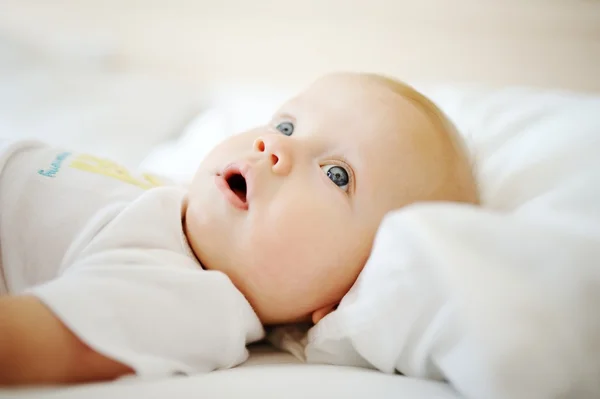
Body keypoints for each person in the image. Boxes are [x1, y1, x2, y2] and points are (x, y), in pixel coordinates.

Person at [0, 73, 478, 385]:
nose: (273, 145)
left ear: (345, 293)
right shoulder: (173, 197)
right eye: (287, 125)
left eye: (337, 174)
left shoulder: (189, 300)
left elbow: (38, 343)